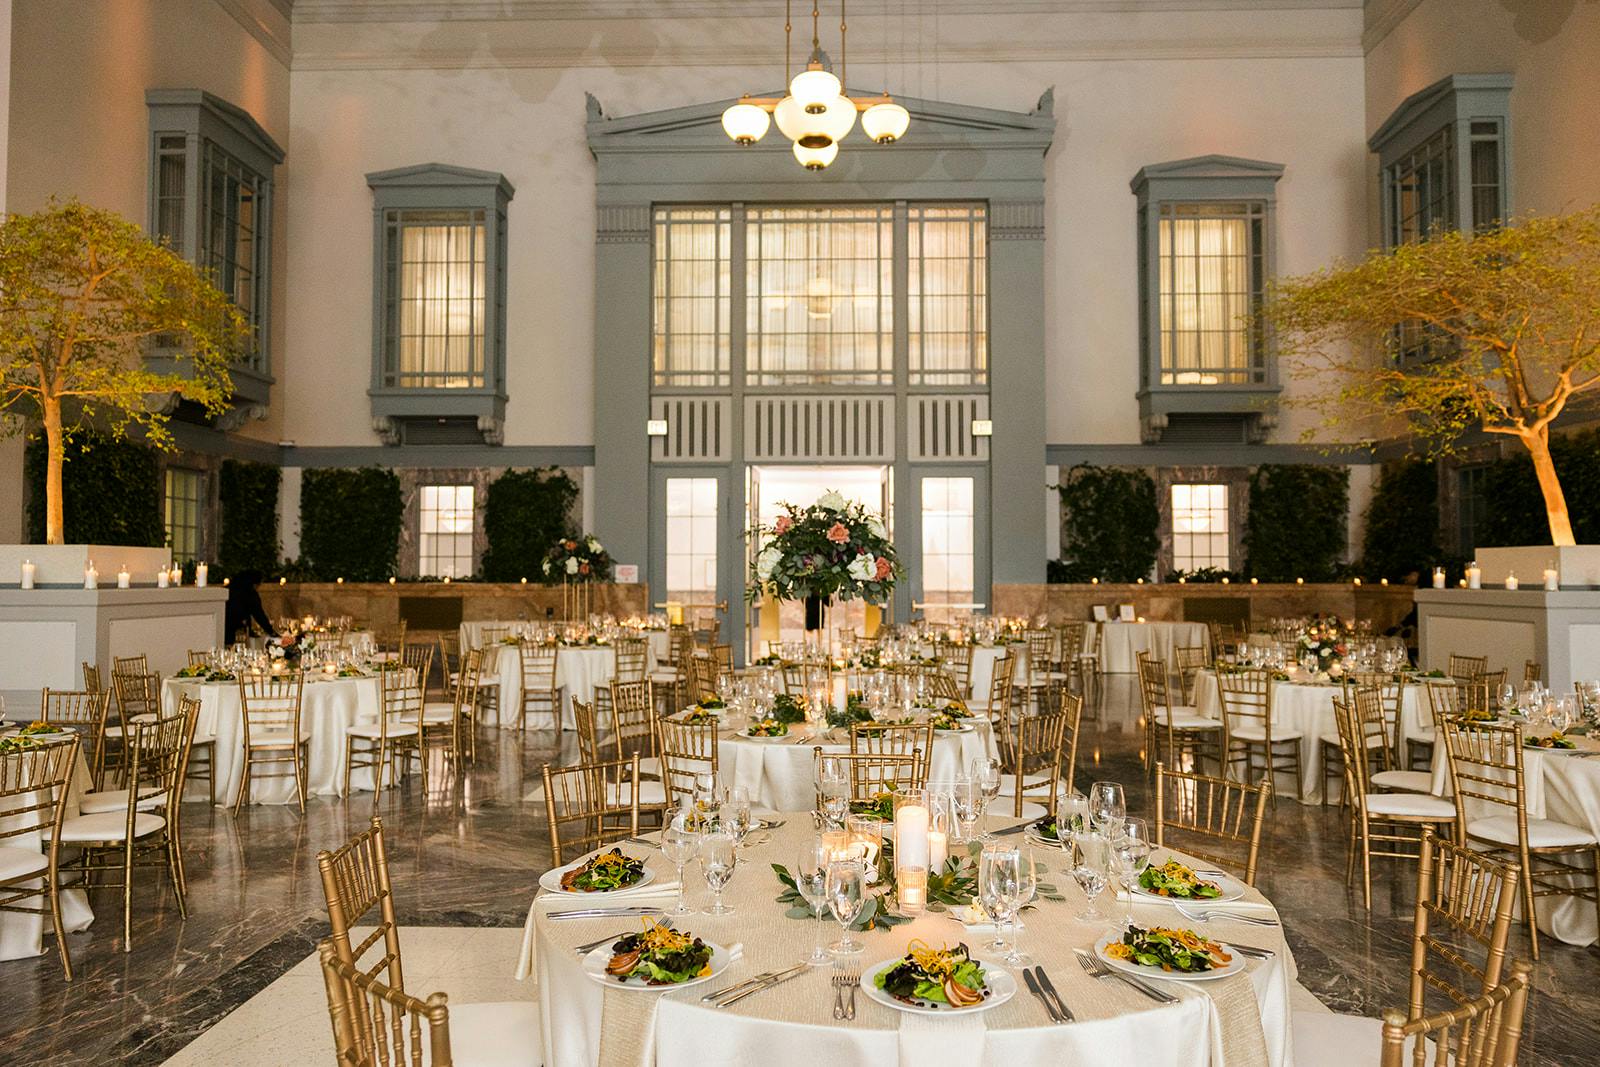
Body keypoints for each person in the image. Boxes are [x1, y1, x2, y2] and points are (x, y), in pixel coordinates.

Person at [225, 569, 278, 644]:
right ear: (254, 584)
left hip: (222, 627)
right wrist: (271, 631)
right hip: (238, 631)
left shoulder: (228, 589)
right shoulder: (250, 594)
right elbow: (259, 615)